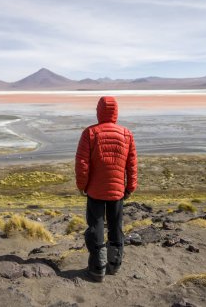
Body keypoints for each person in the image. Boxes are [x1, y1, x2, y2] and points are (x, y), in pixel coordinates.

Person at [75, 96, 137, 282]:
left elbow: (82, 163)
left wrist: (82, 185)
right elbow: (132, 164)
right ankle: (114, 265)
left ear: (99, 112)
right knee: (116, 227)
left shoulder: (90, 133)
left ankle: (97, 269)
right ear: (116, 112)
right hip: (117, 191)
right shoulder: (126, 134)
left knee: (95, 228)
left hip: (95, 191)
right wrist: (130, 187)